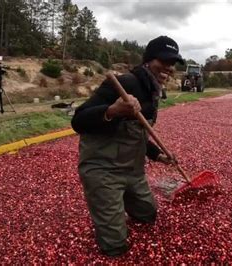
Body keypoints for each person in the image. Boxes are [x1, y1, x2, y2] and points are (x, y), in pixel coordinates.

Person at [71, 36, 184, 257]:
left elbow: (137, 133)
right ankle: (108, 200)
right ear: (149, 60)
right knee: (115, 247)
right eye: (164, 61)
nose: (169, 68)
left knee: (148, 216)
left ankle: (118, 200)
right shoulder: (126, 84)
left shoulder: (153, 92)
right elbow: (78, 121)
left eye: (173, 63)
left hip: (133, 171)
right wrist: (112, 111)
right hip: (103, 170)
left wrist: (158, 155)